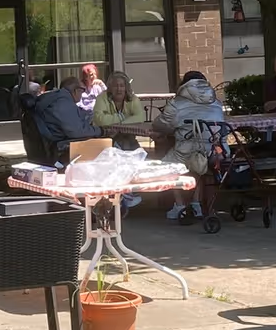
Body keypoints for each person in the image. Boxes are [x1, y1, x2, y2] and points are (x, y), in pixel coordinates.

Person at [152, 71, 224, 220]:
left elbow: (160, 125)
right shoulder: (217, 103)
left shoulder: (177, 103)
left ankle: (180, 205)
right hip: (212, 151)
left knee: (168, 165)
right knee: (197, 164)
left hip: (186, 150)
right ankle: (196, 204)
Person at [32, 71, 102, 156]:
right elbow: (77, 131)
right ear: (75, 90)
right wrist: (100, 131)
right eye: (82, 90)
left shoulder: (57, 100)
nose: (82, 94)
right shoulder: (64, 102)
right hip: (60, 147)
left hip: (54, 142)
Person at [91, 71, 147, 147]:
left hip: (128, 137)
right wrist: (124, 117)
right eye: (115, 86)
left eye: (122, 86)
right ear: (110, 88)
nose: (119, 89)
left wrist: (120, 126)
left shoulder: (133, 99)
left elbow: (140, 117)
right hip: (105, 138)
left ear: (126, 88)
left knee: (135, 150)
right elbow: (99, 119)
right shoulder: (102, 98)